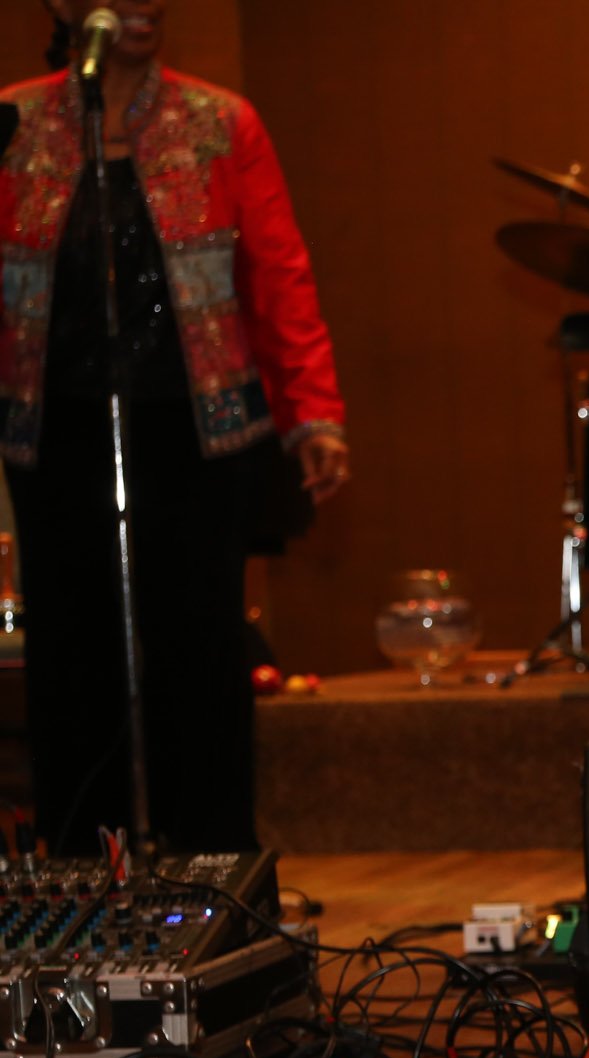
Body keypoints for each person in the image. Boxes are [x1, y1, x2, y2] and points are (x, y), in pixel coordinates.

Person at [0, 0, 347, 854]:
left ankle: (214, 870)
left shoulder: (220, 121)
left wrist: (313, 412)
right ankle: (86, 875)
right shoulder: (13, 124)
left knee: (200, 654)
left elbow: (278, 271)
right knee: (71, 657)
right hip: (58, 434)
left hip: (197, 432)